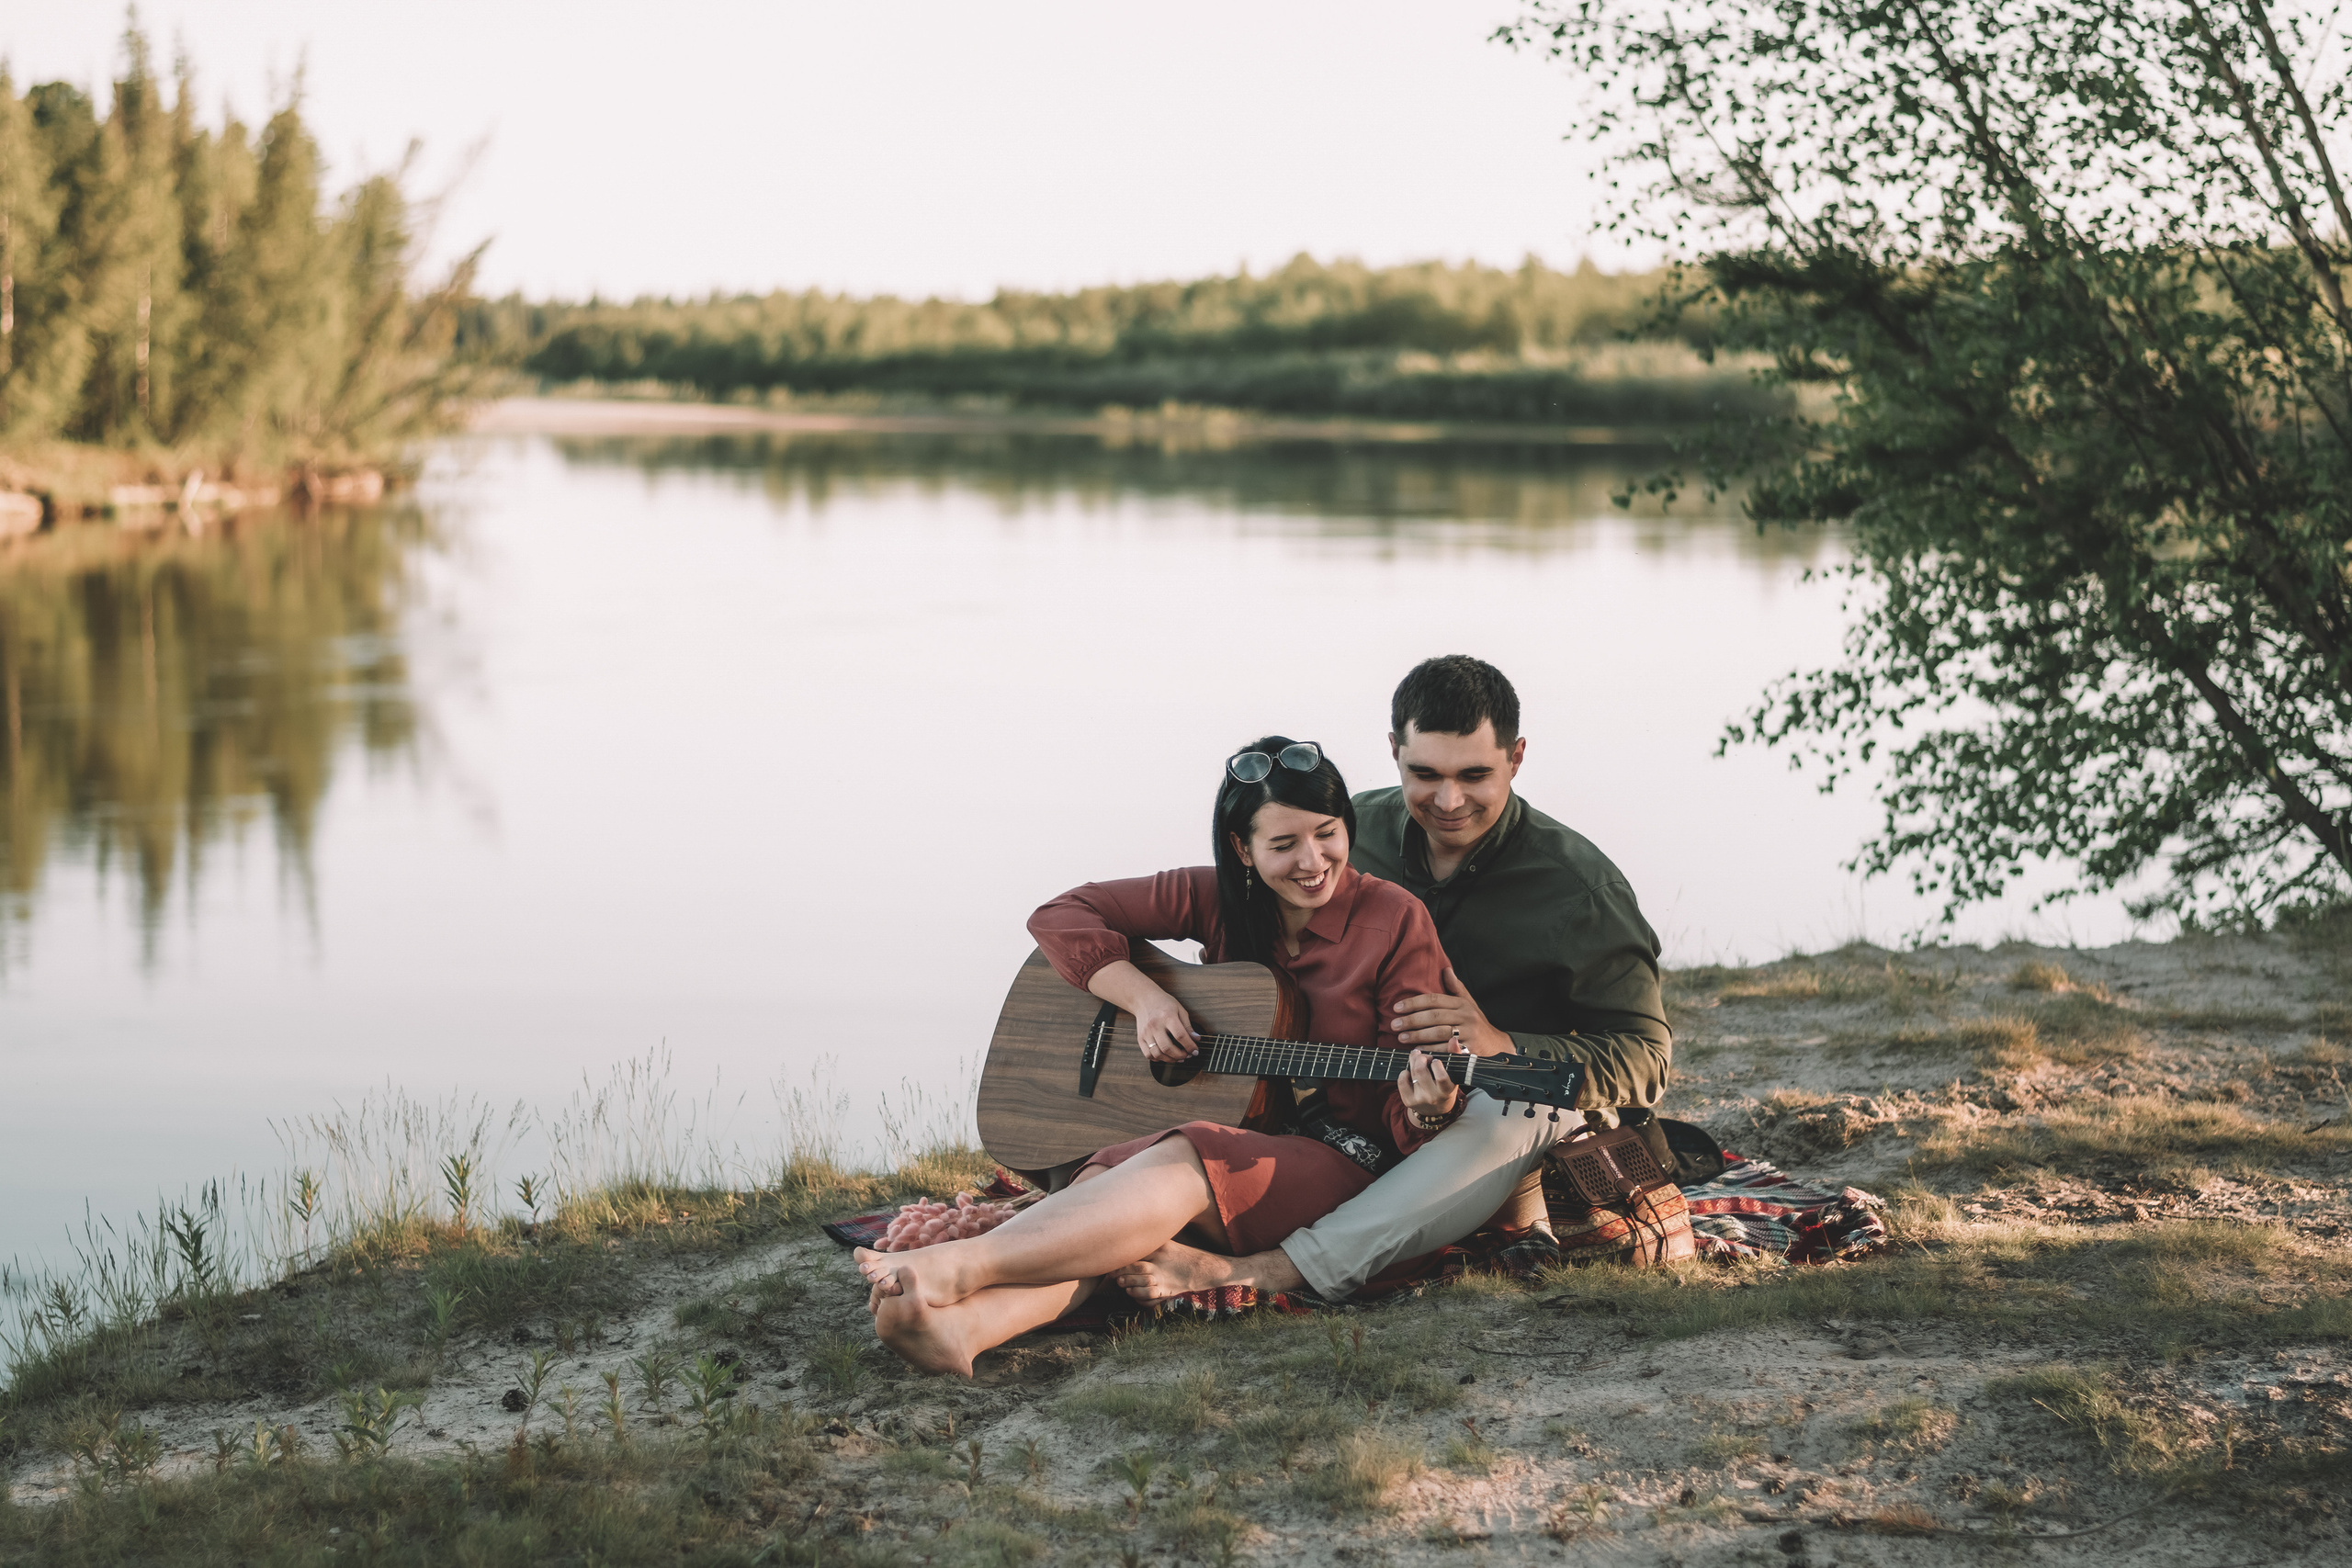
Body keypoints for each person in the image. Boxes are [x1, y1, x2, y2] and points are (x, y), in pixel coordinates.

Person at [858, 736, 1468, 1377]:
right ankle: (963, 1328)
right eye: (1284, 845)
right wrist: (1144, 998)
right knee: (1106, 1192)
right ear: (1243, 849)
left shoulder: (1396, 919)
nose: (1313, 861)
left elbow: (1413, 1123)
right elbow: (1062, 914)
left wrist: (1431, 1109)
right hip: (1238, 1136)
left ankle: (962, 1264)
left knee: (1180, 1156)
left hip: (1349, 1168)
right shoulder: (1218, 896)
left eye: (1327, 834)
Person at [1109, 655, 1673, 1304]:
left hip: (1511, 1105)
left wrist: (1500, 1041)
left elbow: (1647, 1058)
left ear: (1516, 758)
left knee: (1512, 1111)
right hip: (1357, 1108)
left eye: (1475, 775)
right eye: (1424, 773)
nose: (1448, 799)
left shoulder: (1583, 889)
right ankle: (1110, 1211)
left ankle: (1277, 1270)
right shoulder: (1343, 836)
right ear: (1393, 752)